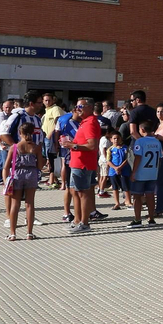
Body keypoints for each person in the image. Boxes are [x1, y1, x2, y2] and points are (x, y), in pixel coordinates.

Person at [66, 98, 104, 234]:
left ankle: (84, 223)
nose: (78, 108)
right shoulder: (84, 122)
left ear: (90, 107)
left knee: (83, 193)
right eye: (76, 106)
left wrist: (73, 145)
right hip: (77, 162)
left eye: (81, 106)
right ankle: (77, 220)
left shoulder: (90, 123)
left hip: (83, 164)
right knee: (75, 191)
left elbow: (92, 145)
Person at [3, 122, 42, 239]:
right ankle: (29, 233)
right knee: (30, 204)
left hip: (17, 175)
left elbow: (6, 166)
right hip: (31, 174)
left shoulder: (14, 147)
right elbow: (40, 166)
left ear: (20, 133)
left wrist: (5, 181)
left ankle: (12, 233)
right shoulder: (36, 147)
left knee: (15, 204)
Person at [128, 123, 163, 226]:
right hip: (152, 172)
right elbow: (160, 157)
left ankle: (137, 219)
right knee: (150, 195)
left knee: (137, 196)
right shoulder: (157, 142)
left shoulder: (140, 141)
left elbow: (138, 157)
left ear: (142, 130)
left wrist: (133, 172)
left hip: (141, 173)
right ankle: (151, 218)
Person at [55, 102, 80, 222]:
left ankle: (86, 212)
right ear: (75, 109)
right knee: (71, 188)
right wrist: (56, 145)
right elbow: (57, 133)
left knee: (79, 188)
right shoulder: (67, 121)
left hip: (77, 155)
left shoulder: (82, 121)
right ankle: (68, 213)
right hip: (71, 154)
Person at [41, 93, 64, 186]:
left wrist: (51, 134)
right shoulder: (47, 110)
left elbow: (57, 121)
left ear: (53, 100)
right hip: (45, 137)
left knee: (51, 158)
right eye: (45, 100)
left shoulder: (55, 109)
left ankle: (52, 180)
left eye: (49, 100)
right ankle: (53, 179)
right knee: (48, 158)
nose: (47, 102)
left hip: (50, 137)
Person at [104, 130, 130, 209]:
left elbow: (128, 159)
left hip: (124, 170)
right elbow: (108, 161)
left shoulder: (125, 148)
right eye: (114, 138)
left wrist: (120, 167)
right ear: (111, 139)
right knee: (115, 187)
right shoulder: (110, 150)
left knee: (126, 187)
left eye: (118, 138)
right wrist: (115, 168)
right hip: (113, 171)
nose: (116, 140)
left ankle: (128, 201)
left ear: (121, 139)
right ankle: (117, 203)